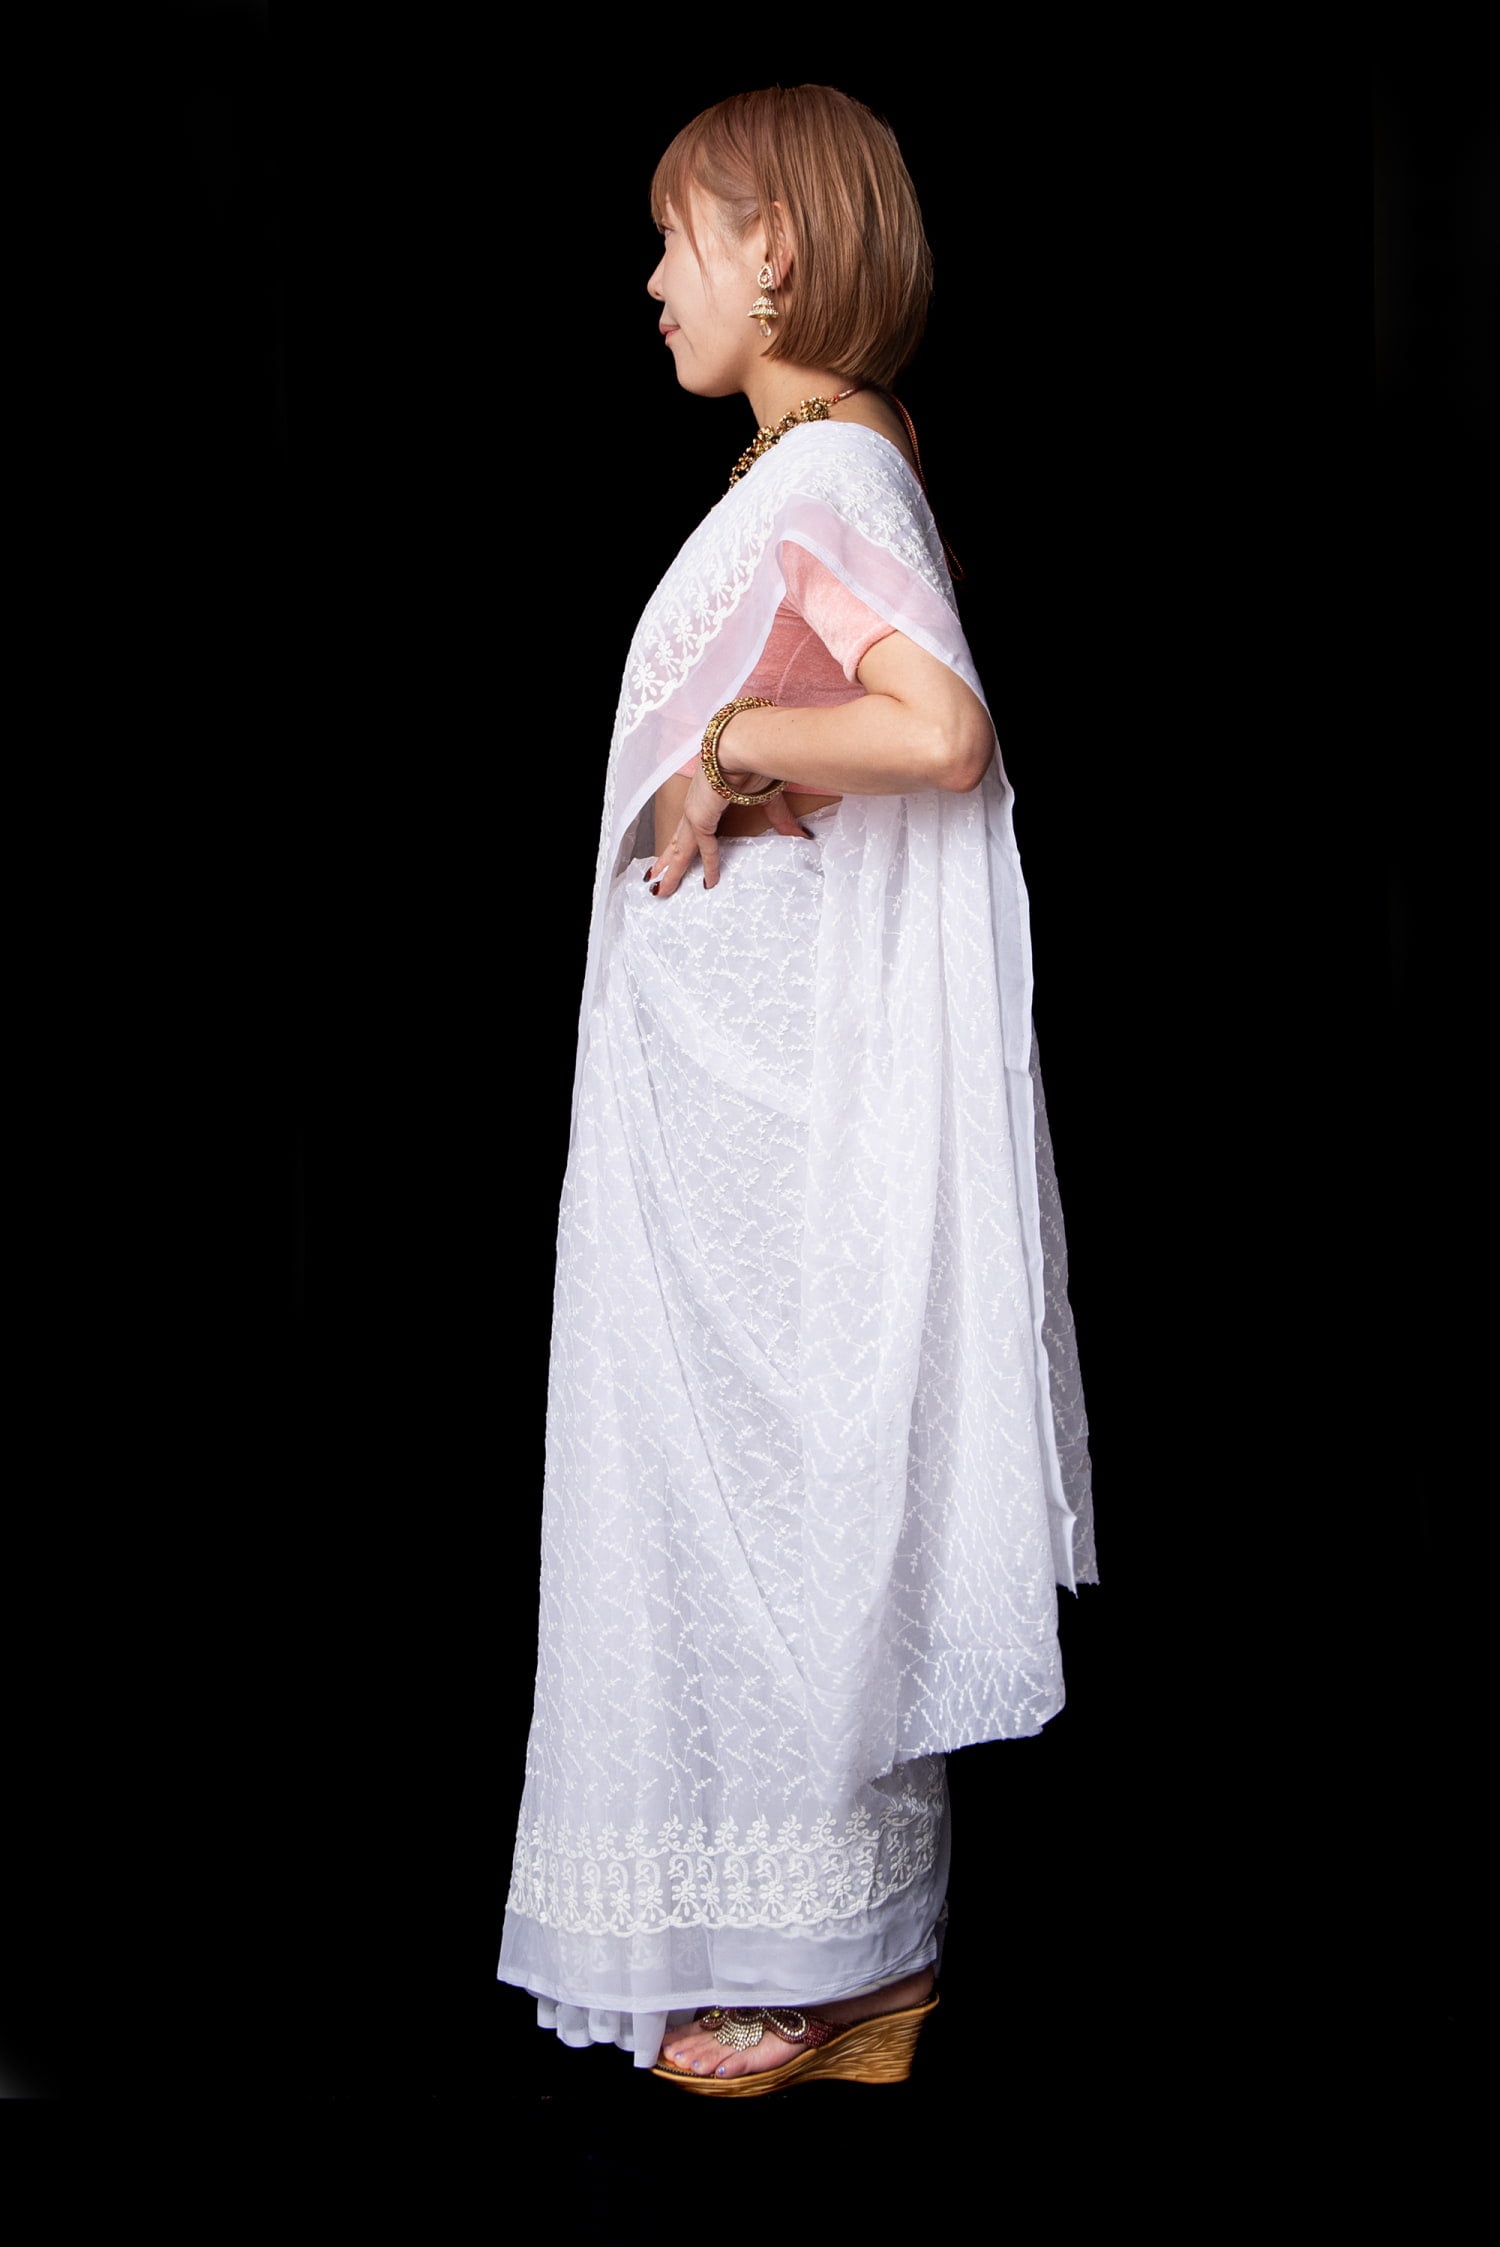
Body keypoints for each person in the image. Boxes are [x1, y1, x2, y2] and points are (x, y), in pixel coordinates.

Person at [497, 83, 1096, 2096]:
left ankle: (836, 1963)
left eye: (678, 234)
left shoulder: (829, 469)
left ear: (779, 248)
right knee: (744, 1510)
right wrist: (730, 763)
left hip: (762, 1135)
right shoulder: (829, 464)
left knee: (788, 1510)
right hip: (716, 1123)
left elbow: (938, 732)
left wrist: (735, 736)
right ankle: (812, 1954)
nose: (652, 278)